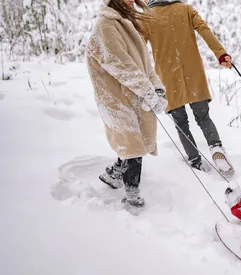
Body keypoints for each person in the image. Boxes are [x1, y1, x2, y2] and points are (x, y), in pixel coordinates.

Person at [86, 0, 168, 213]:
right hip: (115, 98)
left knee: (135, 140)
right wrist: (147, 91)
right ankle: (132, 199)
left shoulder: (127, 24)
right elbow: (122, 65)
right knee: (132, 145)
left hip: (133, 94)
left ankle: (113, 175)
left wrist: (157, 90)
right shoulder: (106, 25)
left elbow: (146, 66)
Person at [143, 0, 234, 177]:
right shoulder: (185, 9)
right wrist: (221, 54)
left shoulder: (147, 17)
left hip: (168, 76)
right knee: (203, 116)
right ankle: (215, 146)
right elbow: (205, 30)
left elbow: (138, 47)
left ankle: (195, 160)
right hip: (193, 73)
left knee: (181, 122)